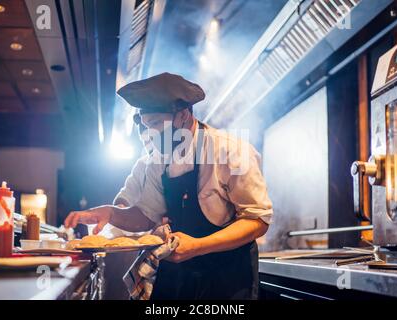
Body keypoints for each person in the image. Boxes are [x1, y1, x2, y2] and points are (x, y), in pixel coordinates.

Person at [65, 72, 273, 299]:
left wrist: (198, 245)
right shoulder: (159, 158)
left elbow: (257, 220)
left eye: (155, 124)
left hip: (227, 279)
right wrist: (111, 213)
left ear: (183, 115)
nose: (150, 134)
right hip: (179, 274)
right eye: (145, 126)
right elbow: (145, 216)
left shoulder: (231, 152)